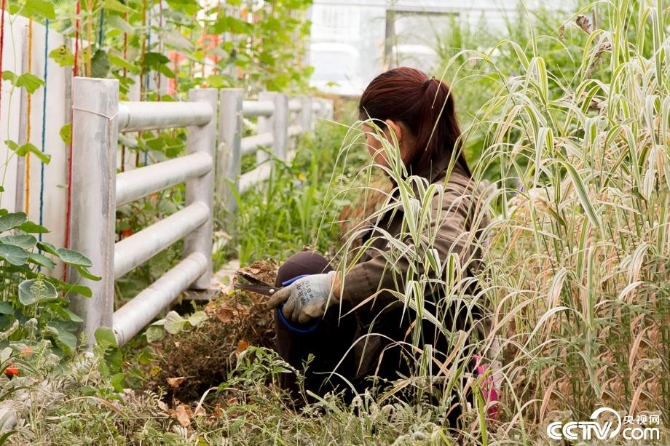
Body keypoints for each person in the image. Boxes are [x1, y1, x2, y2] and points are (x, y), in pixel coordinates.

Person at [266, 67, 492, 426]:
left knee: (301, 271)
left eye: (369, 135)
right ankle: (312, 416)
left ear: (392, 132)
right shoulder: (422, 183)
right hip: (399, 361)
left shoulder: (448, 194)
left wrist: (335, 285)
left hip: (420, 383)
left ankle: (309, 419)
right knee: (304, 270)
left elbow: (435, 260)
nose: (368, 149)